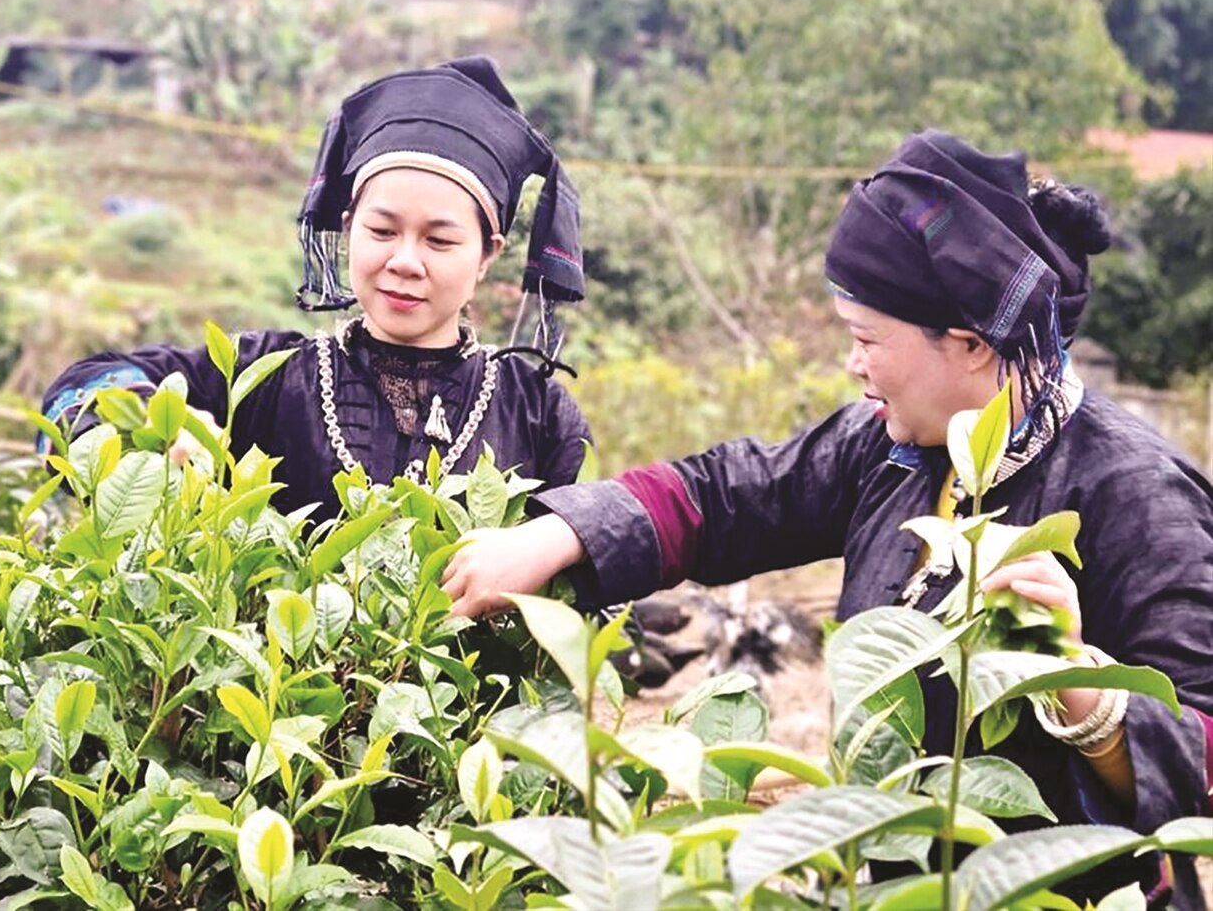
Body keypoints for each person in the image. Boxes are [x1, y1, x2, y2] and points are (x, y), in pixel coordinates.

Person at [442, 130, 1213, 908]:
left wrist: (1078, 683)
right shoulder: (888, 447)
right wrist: (555, 533)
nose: (854, 365)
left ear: (973, 345)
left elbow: (1202, 753)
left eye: (867, 339)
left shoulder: (1138, 494)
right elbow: (725, 497)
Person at [40, 57, 591, 522]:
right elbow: (69, 402)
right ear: (348, 227)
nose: (404, 261)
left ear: (487, 255)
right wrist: (143, 426)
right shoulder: (263, 377)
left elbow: (568, 587)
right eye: (381, 231)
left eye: (439, 241)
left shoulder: (537, 412)